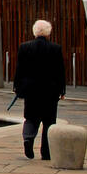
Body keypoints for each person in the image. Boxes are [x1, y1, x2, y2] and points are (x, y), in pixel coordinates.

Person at [12, 19, 66, 160]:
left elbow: (19, 70)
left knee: (30, 118)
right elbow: (60, 71)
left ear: (34, 32)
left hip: (31, 91)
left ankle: (28, 139)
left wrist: (17, 87)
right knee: (49, 121)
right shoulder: (56, 48)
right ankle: (46, 153)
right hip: (50, 91)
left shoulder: (24, 47)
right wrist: (62, 90)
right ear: (48, 32)